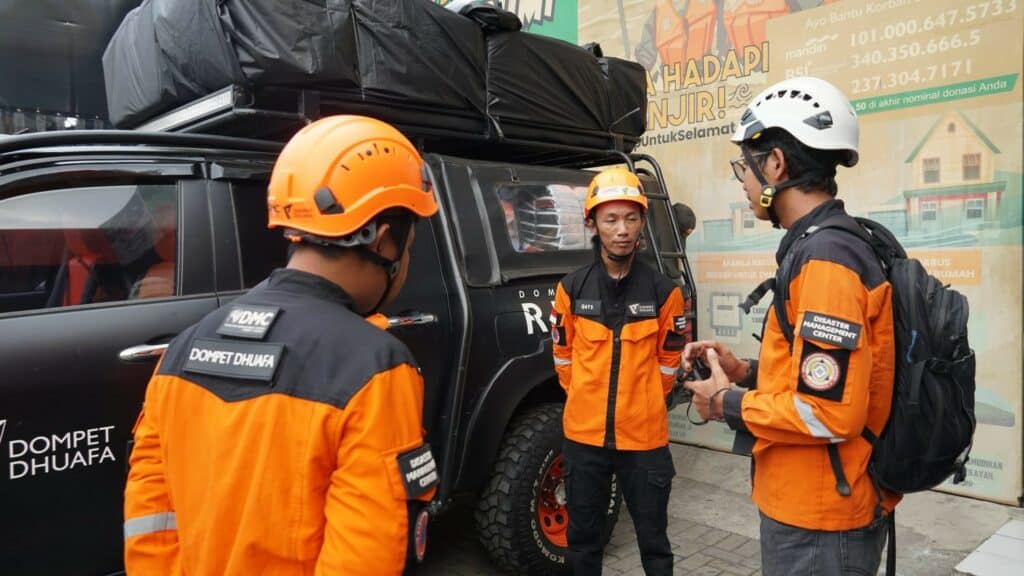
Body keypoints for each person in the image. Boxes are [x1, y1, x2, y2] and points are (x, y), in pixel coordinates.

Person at [123, 115, 440, 575]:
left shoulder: (183, 350)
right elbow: (365, 557)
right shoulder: (375, 368)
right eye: (410, 247)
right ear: (386, 239)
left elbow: (150, 519)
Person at [682, 77, 898, 576]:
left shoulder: (826, 260)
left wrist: (724, 403)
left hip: (821, 519)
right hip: (808, 505)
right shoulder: (819, 246)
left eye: (747, 166)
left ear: (776, 164)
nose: (744, 182)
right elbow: (819, 374)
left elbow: (830, 411)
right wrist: (745, 372)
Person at [551, 167, 684, 575]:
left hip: (644, 441)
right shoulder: (570, 289)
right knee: (583, 545)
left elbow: (669, 363)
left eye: (631, 218)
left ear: (643, 221)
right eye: (611, 219)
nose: (622, 230)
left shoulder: (665, 293)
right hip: (584, 440)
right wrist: (589, 402)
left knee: (655, 546)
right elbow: (564, 360)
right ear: (592, 223)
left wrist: (638, 405)